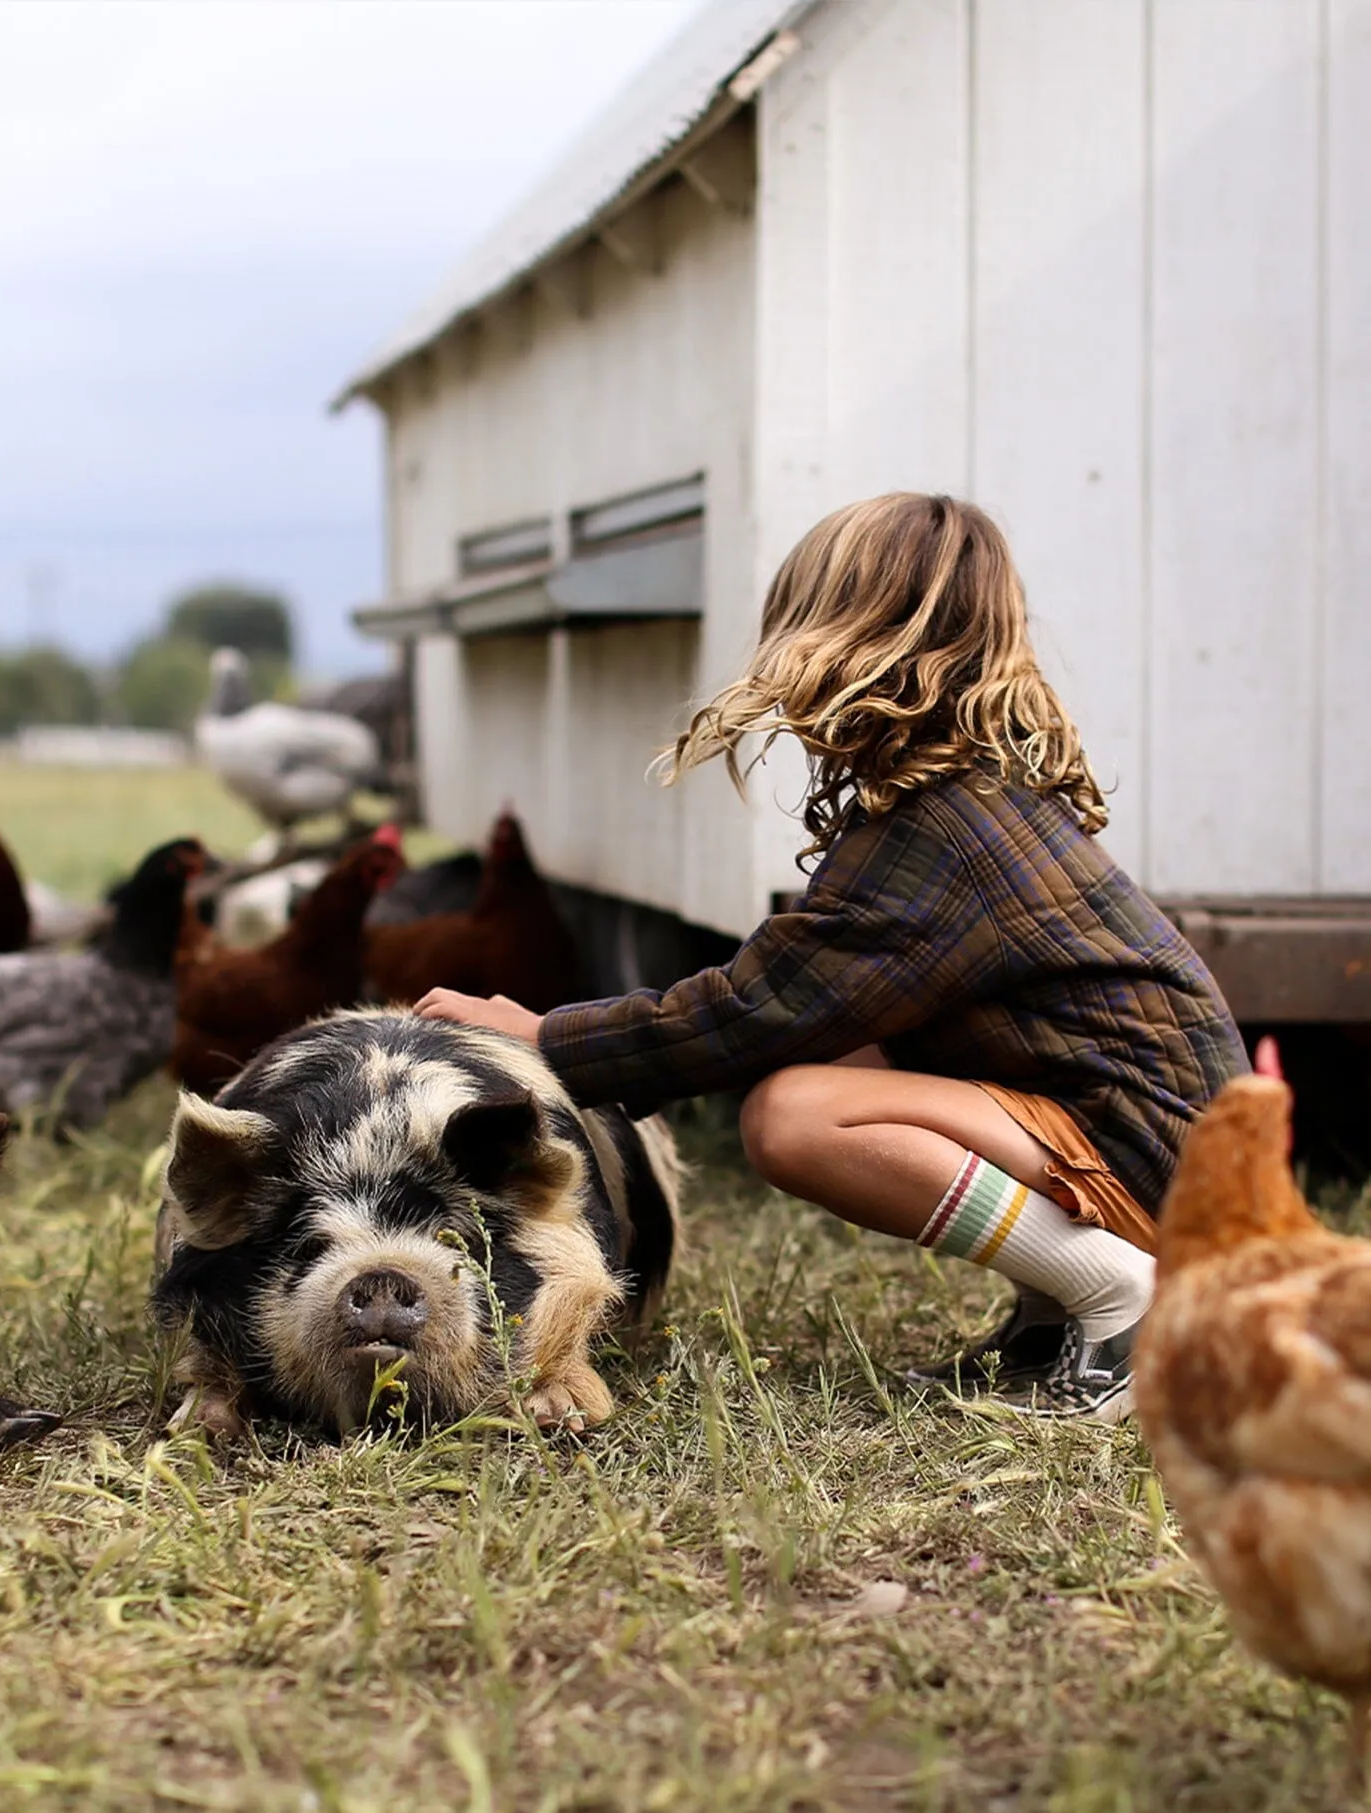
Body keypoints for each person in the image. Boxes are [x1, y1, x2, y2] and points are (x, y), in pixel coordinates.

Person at [415, 493, 1248, 1419]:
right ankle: (1058, 1315)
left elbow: (749, 1010)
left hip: (1169, 1173)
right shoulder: (962, 800)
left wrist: (545, 1037)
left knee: (797, 1114)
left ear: (846, 640)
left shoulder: (945, 832)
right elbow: (805, 994)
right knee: (827, 1051)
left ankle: (1121, 1301)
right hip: (1166, 1150)